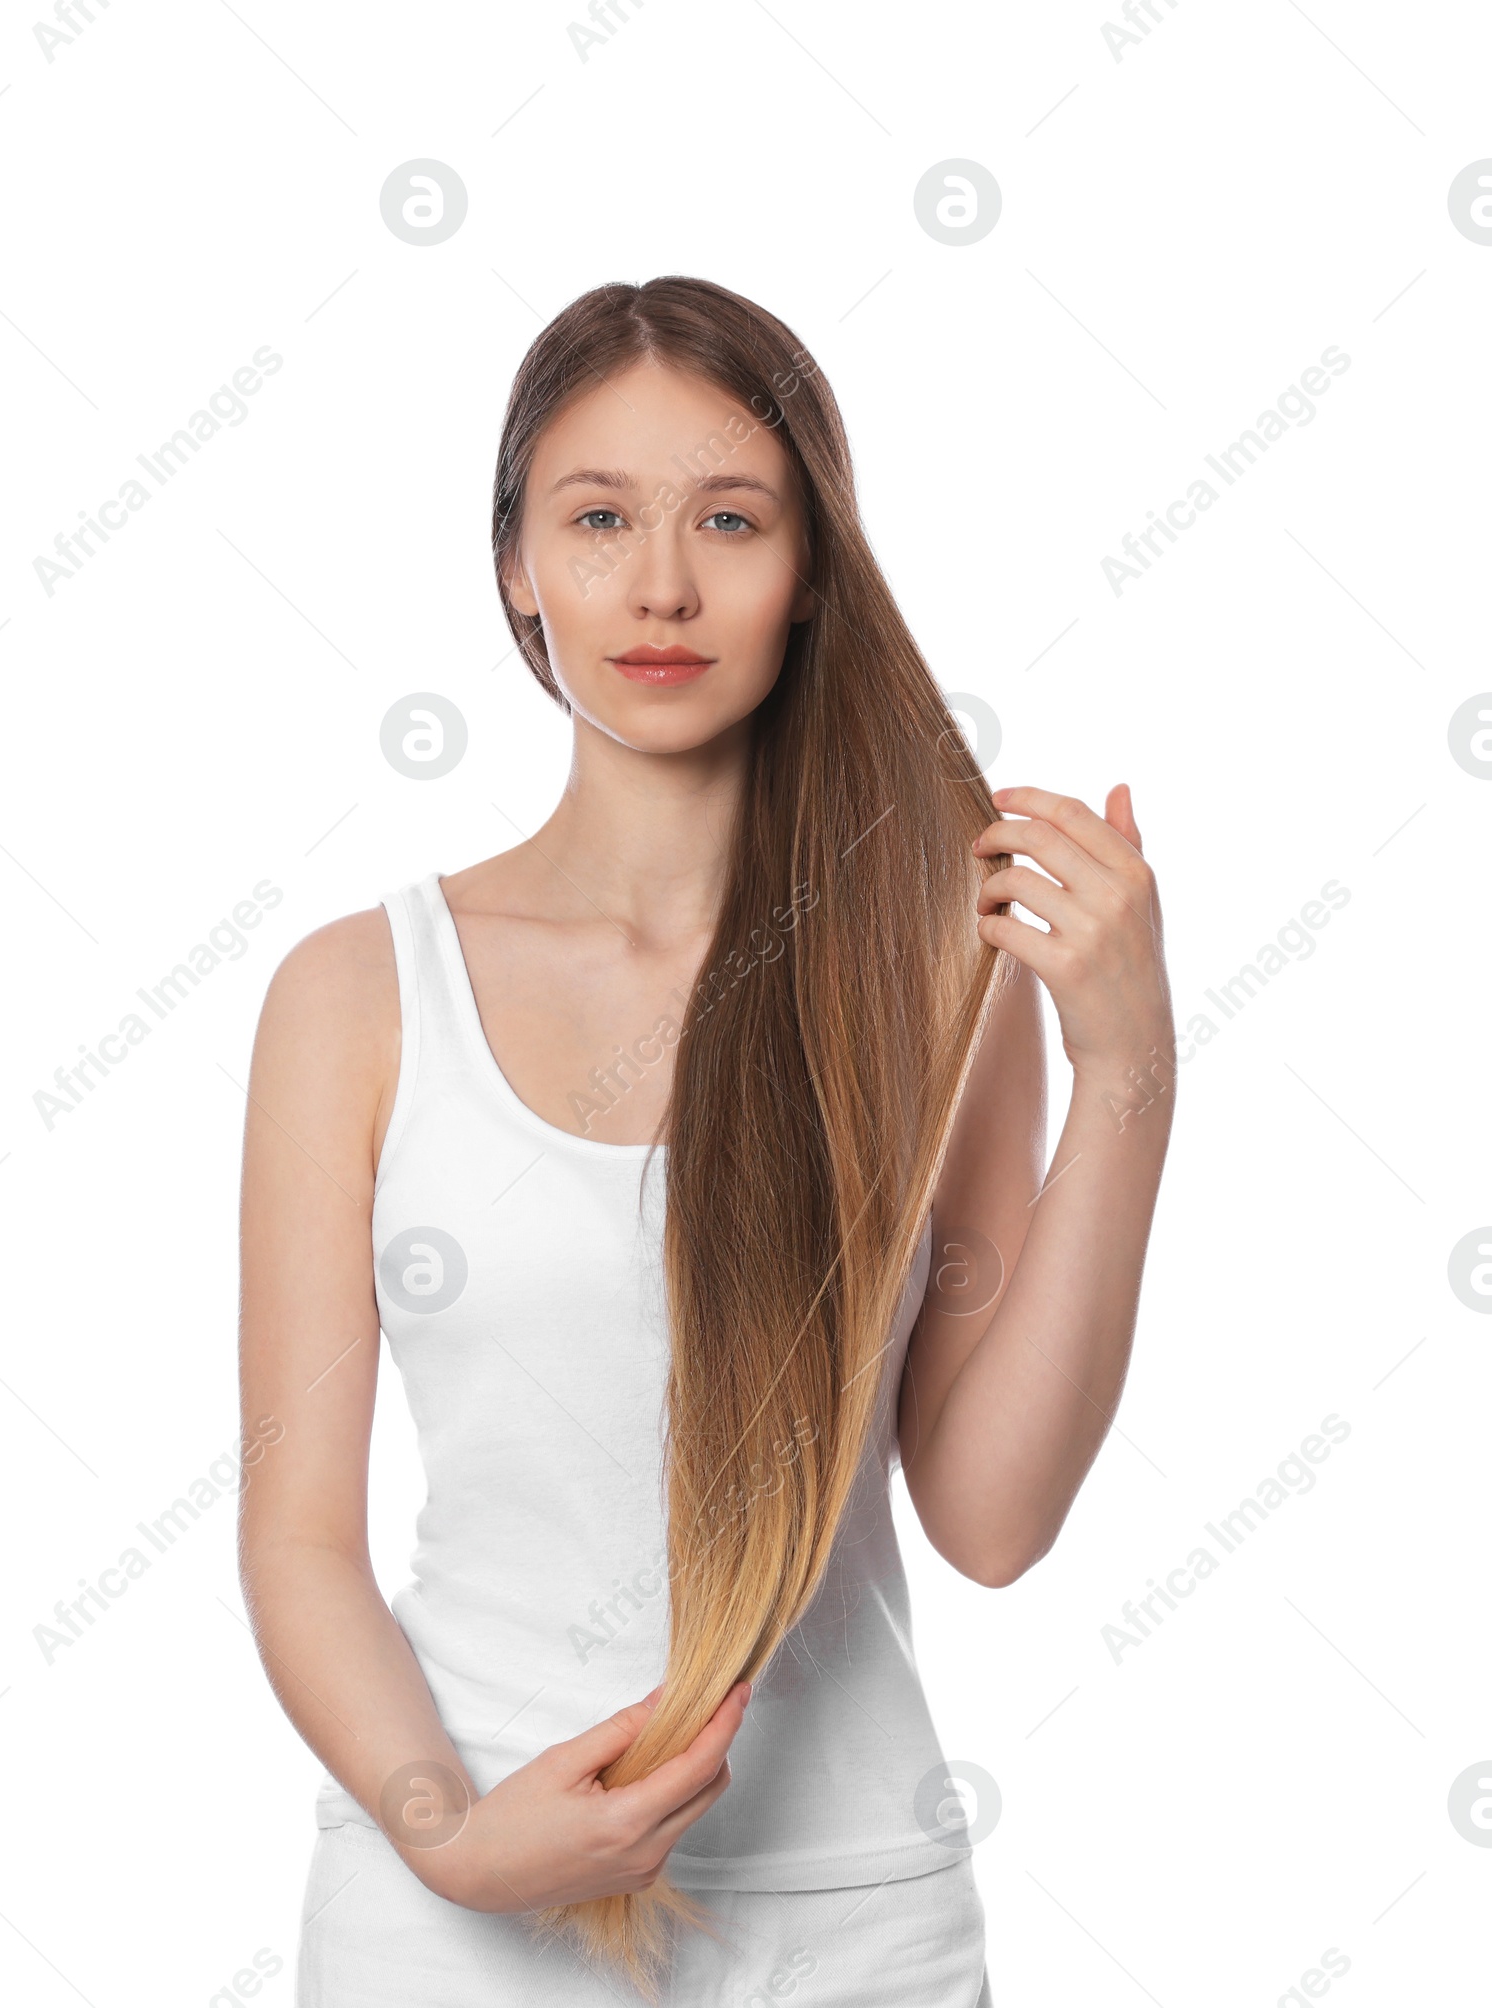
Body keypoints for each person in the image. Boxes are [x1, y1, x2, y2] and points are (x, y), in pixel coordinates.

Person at [236, 275, 1176, 2006]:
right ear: (515, 563)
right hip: (455, 1915)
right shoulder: (359, 995)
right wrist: (449, 1832)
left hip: (853, 1925)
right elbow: (299, 1533)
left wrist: (1127, 1072)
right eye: (598, 520)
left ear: (809, 567)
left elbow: (986, 1515)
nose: (660, 584)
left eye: (728, 520)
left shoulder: (936, 975)